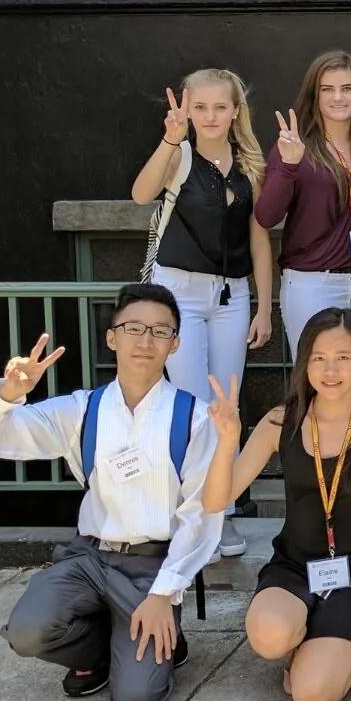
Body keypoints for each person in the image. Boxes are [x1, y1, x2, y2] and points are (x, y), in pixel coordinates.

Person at [0, 284, 221, 701]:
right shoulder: (83, 410)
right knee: (27, 631)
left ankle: (160, 635)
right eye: (133, 328)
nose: (145, 340)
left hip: (151, 572)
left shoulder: (193, 417)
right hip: (91, 560)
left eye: (160, 331)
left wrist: (164, 594)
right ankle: (103, 650)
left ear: (175, 343)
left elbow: (200, 517)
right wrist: (7, 394)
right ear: (111, 338)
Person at [201, 308, 351, 701]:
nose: (330, 369)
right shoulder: (282, 422)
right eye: (318, 358)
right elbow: (214, 501)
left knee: (312, 697)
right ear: (304, 363)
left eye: (343, 357)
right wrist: (227, 440)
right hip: (294, 567)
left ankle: (348, 648)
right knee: (268, 637)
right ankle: (309, 637)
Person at [129, 69, 272, 560]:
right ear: (187, 109)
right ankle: (192, 515)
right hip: (180, 294)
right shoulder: (180, 154)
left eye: (220, 107)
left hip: (231, 295)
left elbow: (258, 238)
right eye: (201, 107)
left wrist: (264, 304)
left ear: (236, 111)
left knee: (225, 406)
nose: (210, 117)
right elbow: (140, 194)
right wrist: (170, 139)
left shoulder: (250, 163)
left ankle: (222, 513)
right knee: (189, 405)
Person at [255, 51, 351, 358]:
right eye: (327, 89)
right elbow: (266, 216)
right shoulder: (295, 148)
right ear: (314, 95)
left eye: (347, 88)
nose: (338, 97)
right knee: (313, 378)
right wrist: (289, 167)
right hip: (311, 283)